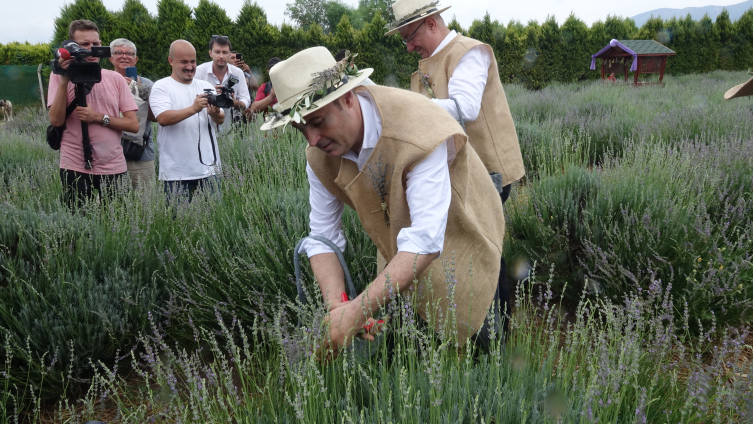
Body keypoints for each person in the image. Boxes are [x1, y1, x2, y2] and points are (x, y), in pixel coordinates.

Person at [261, 47, 506, 357]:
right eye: (300, 129)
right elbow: (323, 236)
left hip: (463, 224)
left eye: (318, 122)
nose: (311, 140)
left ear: (347, 98)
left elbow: (426, 239)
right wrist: (339, 306)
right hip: (400, 239)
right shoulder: (319, 156)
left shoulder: (418, 126)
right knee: (411, 340)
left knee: (476, 330)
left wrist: (355, 314)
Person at [387, 0, 526, 326]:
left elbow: (465, 106)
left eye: (410, 36)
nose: (409, 47)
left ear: (432, 23)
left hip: (488, 171)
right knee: (461, 247)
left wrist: (403, 108)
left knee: (485, 247)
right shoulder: (427, 64)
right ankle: (466, 323)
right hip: (457, 172)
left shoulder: (470, 52)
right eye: (404, 40)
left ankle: (496, 337)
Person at [48, 19, 139, 209]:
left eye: (95, 44)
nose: (91, 49)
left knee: (117, 224)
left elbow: (133, 125)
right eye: (84, 45)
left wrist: (98, 117)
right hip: (74, 164)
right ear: (72, 47)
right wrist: (65, 79)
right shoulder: (58, 76)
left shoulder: (115, 79)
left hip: (113, 164)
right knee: (78, 224)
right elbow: (56, 120)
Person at [149, 40, 225, 202]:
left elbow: (221, 119)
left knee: (215, 220)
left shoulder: (206, 86)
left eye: (193, 61)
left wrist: (215, 113)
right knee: (178, 224)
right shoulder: (161, 86)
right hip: (176, 172)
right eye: (184, 62)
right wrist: (193, 109)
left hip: (209, 170)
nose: (190, 67)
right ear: (171, 61)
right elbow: (162, 118)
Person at [109, 38, 157, 190]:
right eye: (118, 52)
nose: (124, 56)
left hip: (140, 154)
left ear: (136, 59)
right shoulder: (103, 82)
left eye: (129, 53)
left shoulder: (147, 84)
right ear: (110, 57)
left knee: (146, 204)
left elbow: (155, 117)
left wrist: (139, 90)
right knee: (108, 203)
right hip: (108, 154)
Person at [194, 36, 251, 134]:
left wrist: (233, 102)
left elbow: (246, 100)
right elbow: (191, 98)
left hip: (230, 129)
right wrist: (211, 95)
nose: (221, 56)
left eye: (224, 52)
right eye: (217, 52)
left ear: (229, 54)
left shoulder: (237, 73)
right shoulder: (199, 72)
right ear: (210, 53)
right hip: (203, 129)